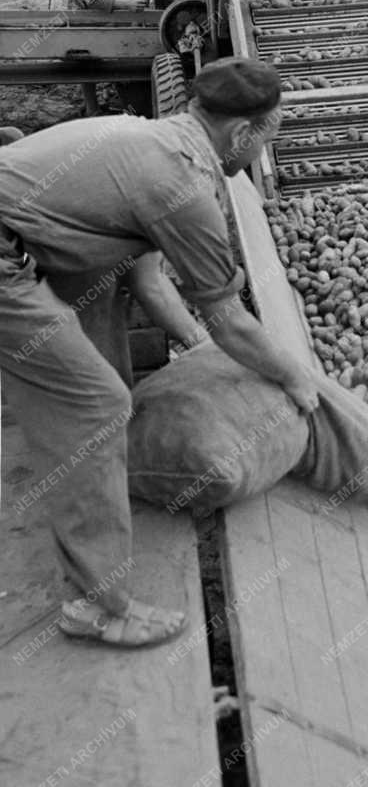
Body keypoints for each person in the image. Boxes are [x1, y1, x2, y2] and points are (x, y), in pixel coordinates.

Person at [0, 56, 324, 649]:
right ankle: (97, 606)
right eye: (265, 140)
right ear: (244, 132)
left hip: (23, 240)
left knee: (100, 285)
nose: (257, 157)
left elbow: (150, 284)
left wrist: (199, 351)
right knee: (96, 408)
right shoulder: (181, 186)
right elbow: (228, 318)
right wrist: (298, 379)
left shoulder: (147, 139)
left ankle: (96, 470)